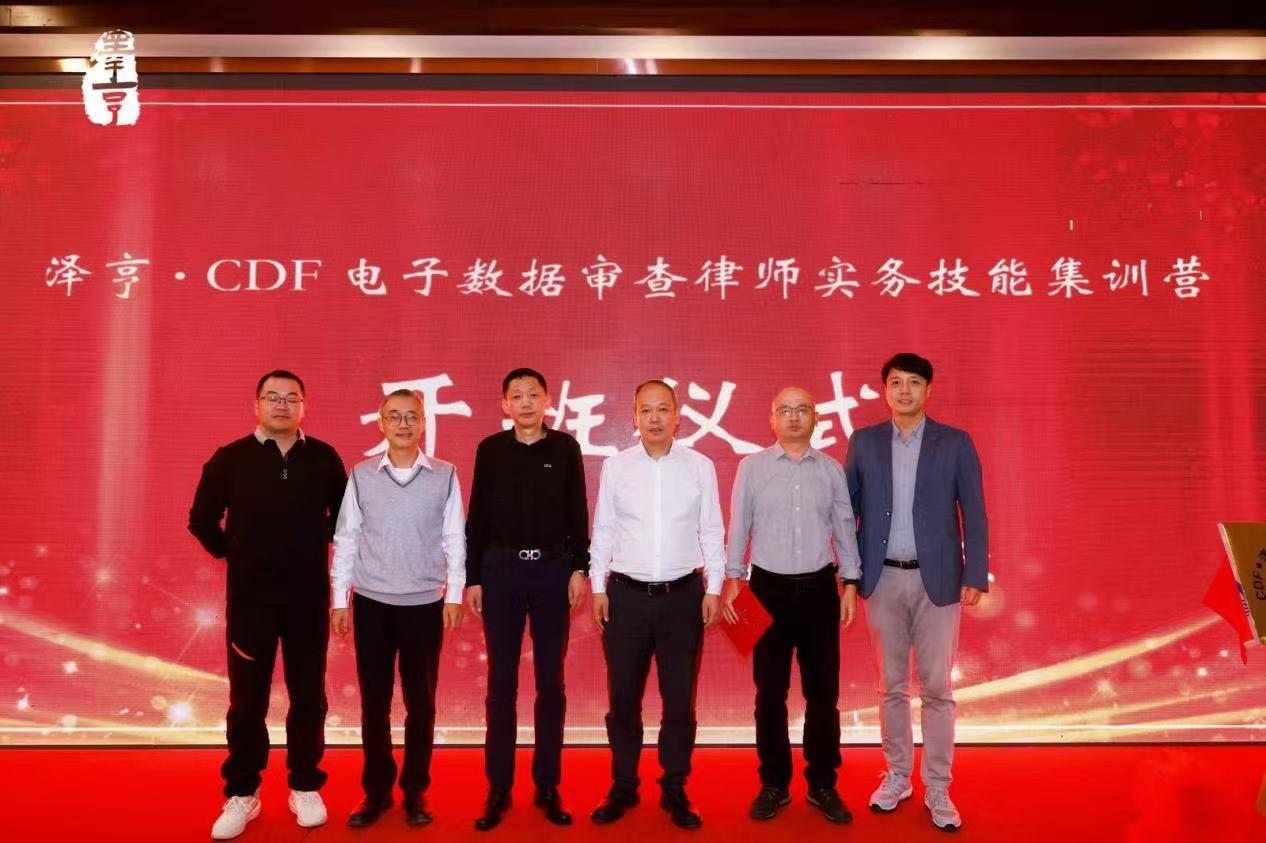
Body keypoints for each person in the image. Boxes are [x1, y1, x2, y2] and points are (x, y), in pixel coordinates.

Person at [189, 370, 347, 840]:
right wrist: (234, 552)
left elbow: (345, 520)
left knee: (308, 697)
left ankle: (304, 785)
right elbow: (201, 519)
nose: (282, 405)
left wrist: (310, 543)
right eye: (272, 397)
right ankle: (243, 793)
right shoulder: (230, 458)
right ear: (256, 404)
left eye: (291, 398)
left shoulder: (324, 458)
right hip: (250, 603)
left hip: (307, 600)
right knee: (247, 701)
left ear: (304, 406)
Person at [843, 353, 989, 831]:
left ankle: (939, 786)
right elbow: (848, 515)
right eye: (895, 382)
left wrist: (975, 573)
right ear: (884, 390)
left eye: (913, 382)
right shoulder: (864, 442)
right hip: (882, 579)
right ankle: (898, 775)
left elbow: (975, 512)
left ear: (929, 390)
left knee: (937, 689)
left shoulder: (956, 443)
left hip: (939, 581)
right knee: (890, 686)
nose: (904, 390)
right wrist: (849, 577)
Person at [588, 380, 725, 830]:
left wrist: (714, 587)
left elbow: (711, 529)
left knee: (679, 700)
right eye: (645, 410)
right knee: (622, 698)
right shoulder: (617, 467)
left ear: (677, 414)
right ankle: (623, 784)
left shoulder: (700, 466)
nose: (654, 418)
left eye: (662, 409)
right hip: (625, 597)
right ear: (634, 416)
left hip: (683, 597)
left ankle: (675, 786)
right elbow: (604, 529)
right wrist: (597, 587)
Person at [723, 386, 861, 824]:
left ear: (816, 417)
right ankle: (774, 783)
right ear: (772, 419)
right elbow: (739, 525)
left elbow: (844, 527)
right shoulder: (752, 467)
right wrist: (732, 580)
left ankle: (823, 784)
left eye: (803, 409)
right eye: (785, 409)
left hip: (820, 590)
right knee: (769, 693)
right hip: (766, 590)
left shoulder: (831, 470)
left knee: (823, 693)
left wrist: (851, 582)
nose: (794, 416)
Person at [330, 389, 465, 828]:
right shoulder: (361, 475)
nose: (403, 424)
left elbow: (455, 539)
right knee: (375, 704)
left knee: (421, 704)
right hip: (371, 604)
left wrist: (455, 594)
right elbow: (347, 539)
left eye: (411, 417)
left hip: (424, 605)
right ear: (382, 424)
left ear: (423, 423)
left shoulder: (445, 474)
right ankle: (376, 791)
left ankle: (415, 790)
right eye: (394, 416)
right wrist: (339, 599)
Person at [464, 368, 591, 831]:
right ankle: (498, 786)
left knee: (550, 682)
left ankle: (547, 783)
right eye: (516, 396)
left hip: (553, 571)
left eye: (533, 394)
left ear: (547, 400)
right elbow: (477, 517)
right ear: (505, 404)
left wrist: (580, 568)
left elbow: (578, 510)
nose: (525, 402)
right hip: (500, 571)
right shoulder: (490, 450)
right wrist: (473, 578)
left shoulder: (565, 448)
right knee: (500, 684)